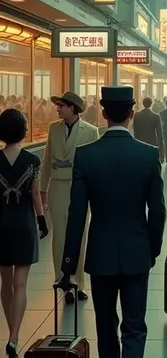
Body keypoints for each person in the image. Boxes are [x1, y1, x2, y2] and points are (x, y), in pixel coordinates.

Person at [60, 86, 166, 358]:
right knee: (135, 330)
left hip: (100, 255)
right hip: (136, 253)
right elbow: (159, 211)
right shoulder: (147, 155)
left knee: (106, 327)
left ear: (103, 114)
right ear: (132, 114)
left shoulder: (86, 156)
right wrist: (151, 250)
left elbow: (77, 216)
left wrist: (68, 265)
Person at [0, 109, 48, 358]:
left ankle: (11, 335)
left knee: (4, 283)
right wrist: (41, 220)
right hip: (23, 223)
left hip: (1, 224)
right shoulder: (32, 160)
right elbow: (35, 195)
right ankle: (14, 336)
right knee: (21, 284)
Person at [40, 91, 99, 303]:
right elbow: (47, 159)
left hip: (80, 188)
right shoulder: (53, 129)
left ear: (72, 108)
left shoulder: (90, 131)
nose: (58, 108)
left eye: (61, 105)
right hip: (57, 186)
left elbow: (94, 163)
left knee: (80, 236)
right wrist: (42, 191)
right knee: (60, 237)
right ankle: (62, 279)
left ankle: (79, 283)